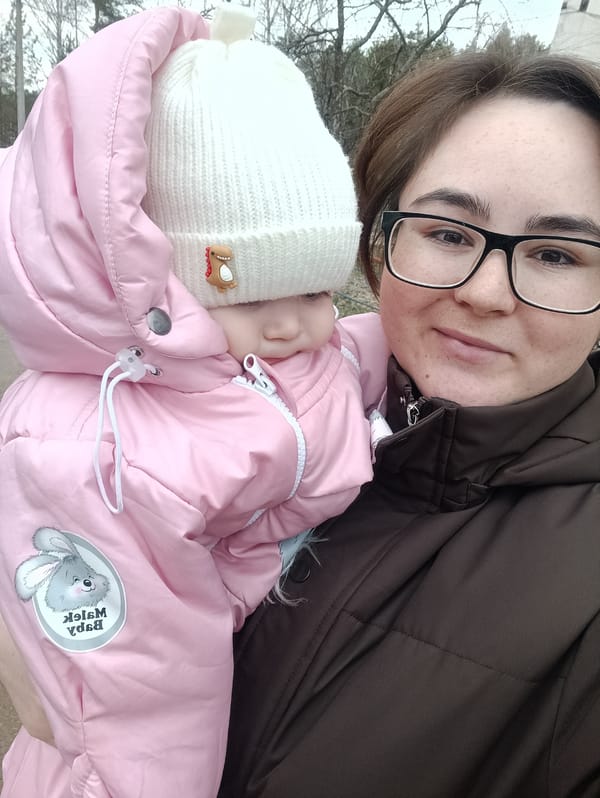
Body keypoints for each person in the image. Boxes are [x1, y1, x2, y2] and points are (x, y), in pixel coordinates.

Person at [0, 5, 388, 797]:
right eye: (249, 296)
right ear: (158, 287)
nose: (290, 325)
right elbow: (141, 685)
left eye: (315, 288)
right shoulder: (102, 451)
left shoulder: (295, 349)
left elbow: (351, 355)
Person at [213, 51, 600, 797]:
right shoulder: (235, 399)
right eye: (450, 234)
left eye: (556, 254)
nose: (487, 294)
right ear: (379, 241)